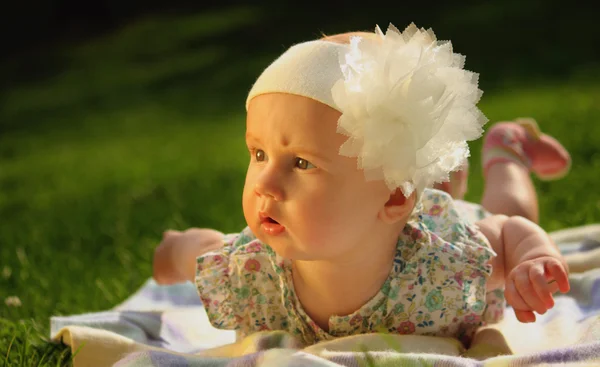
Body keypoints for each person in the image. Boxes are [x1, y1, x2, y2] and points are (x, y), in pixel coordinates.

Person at [152, 23, 571, 347]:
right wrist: (173, 252)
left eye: (300, 162)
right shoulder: (247, 273)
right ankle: (447, 176)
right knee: (436, 183)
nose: (265, 183)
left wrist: (530, 261)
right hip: (396, 206)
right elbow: (205, 250)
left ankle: (507, 152)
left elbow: (510, 234)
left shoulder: (448, 262)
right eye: (259, 154)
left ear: (392, 195)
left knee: (510, 210)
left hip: (432, 221)